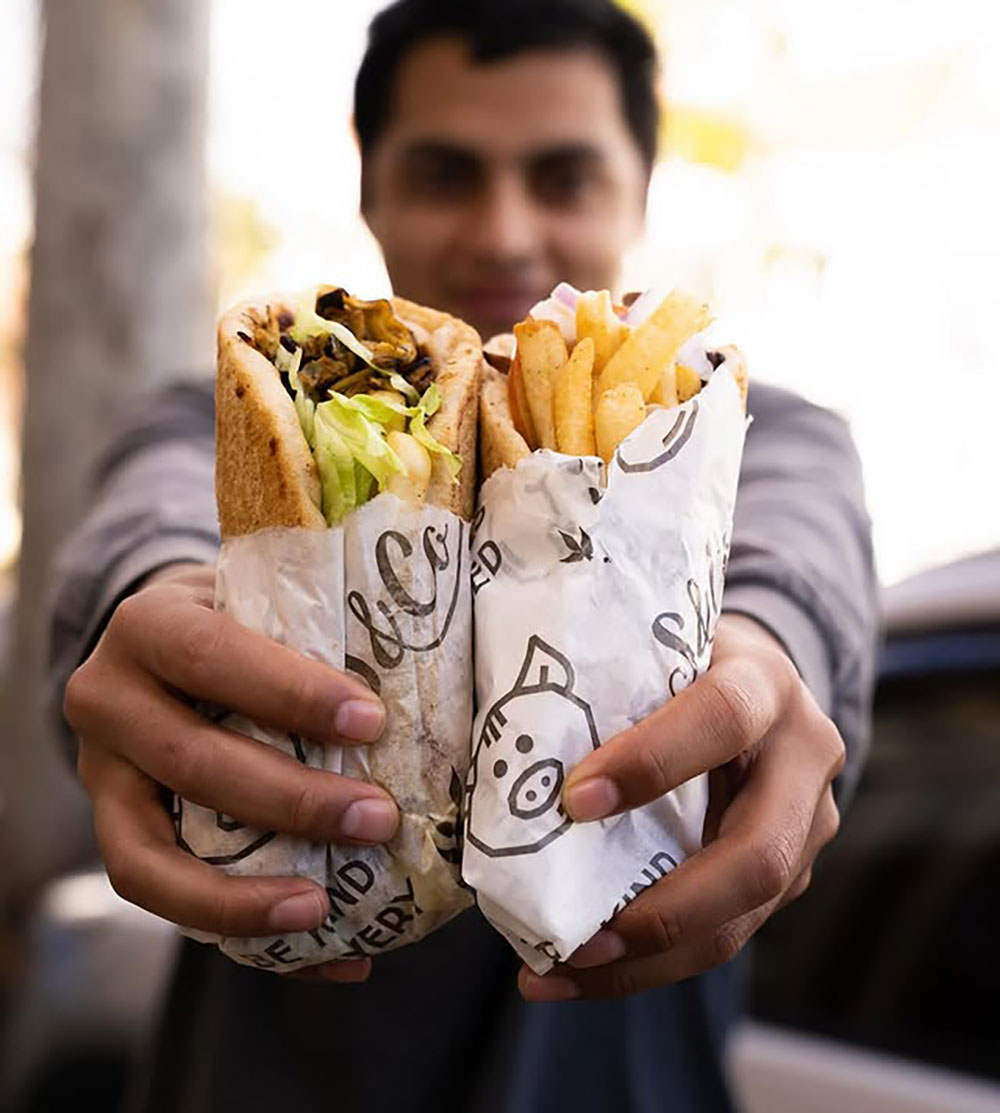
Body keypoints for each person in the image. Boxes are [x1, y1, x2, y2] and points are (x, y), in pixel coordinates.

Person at [50, 1, 878, 1110]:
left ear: (639, 186)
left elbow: (795, 575)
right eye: (443, 174)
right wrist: (152, 618)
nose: (500, 232)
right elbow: (147, 528)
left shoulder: (746, 433)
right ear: (368, 188)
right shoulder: (206, 420)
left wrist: (767, 668)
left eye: (563, 176)